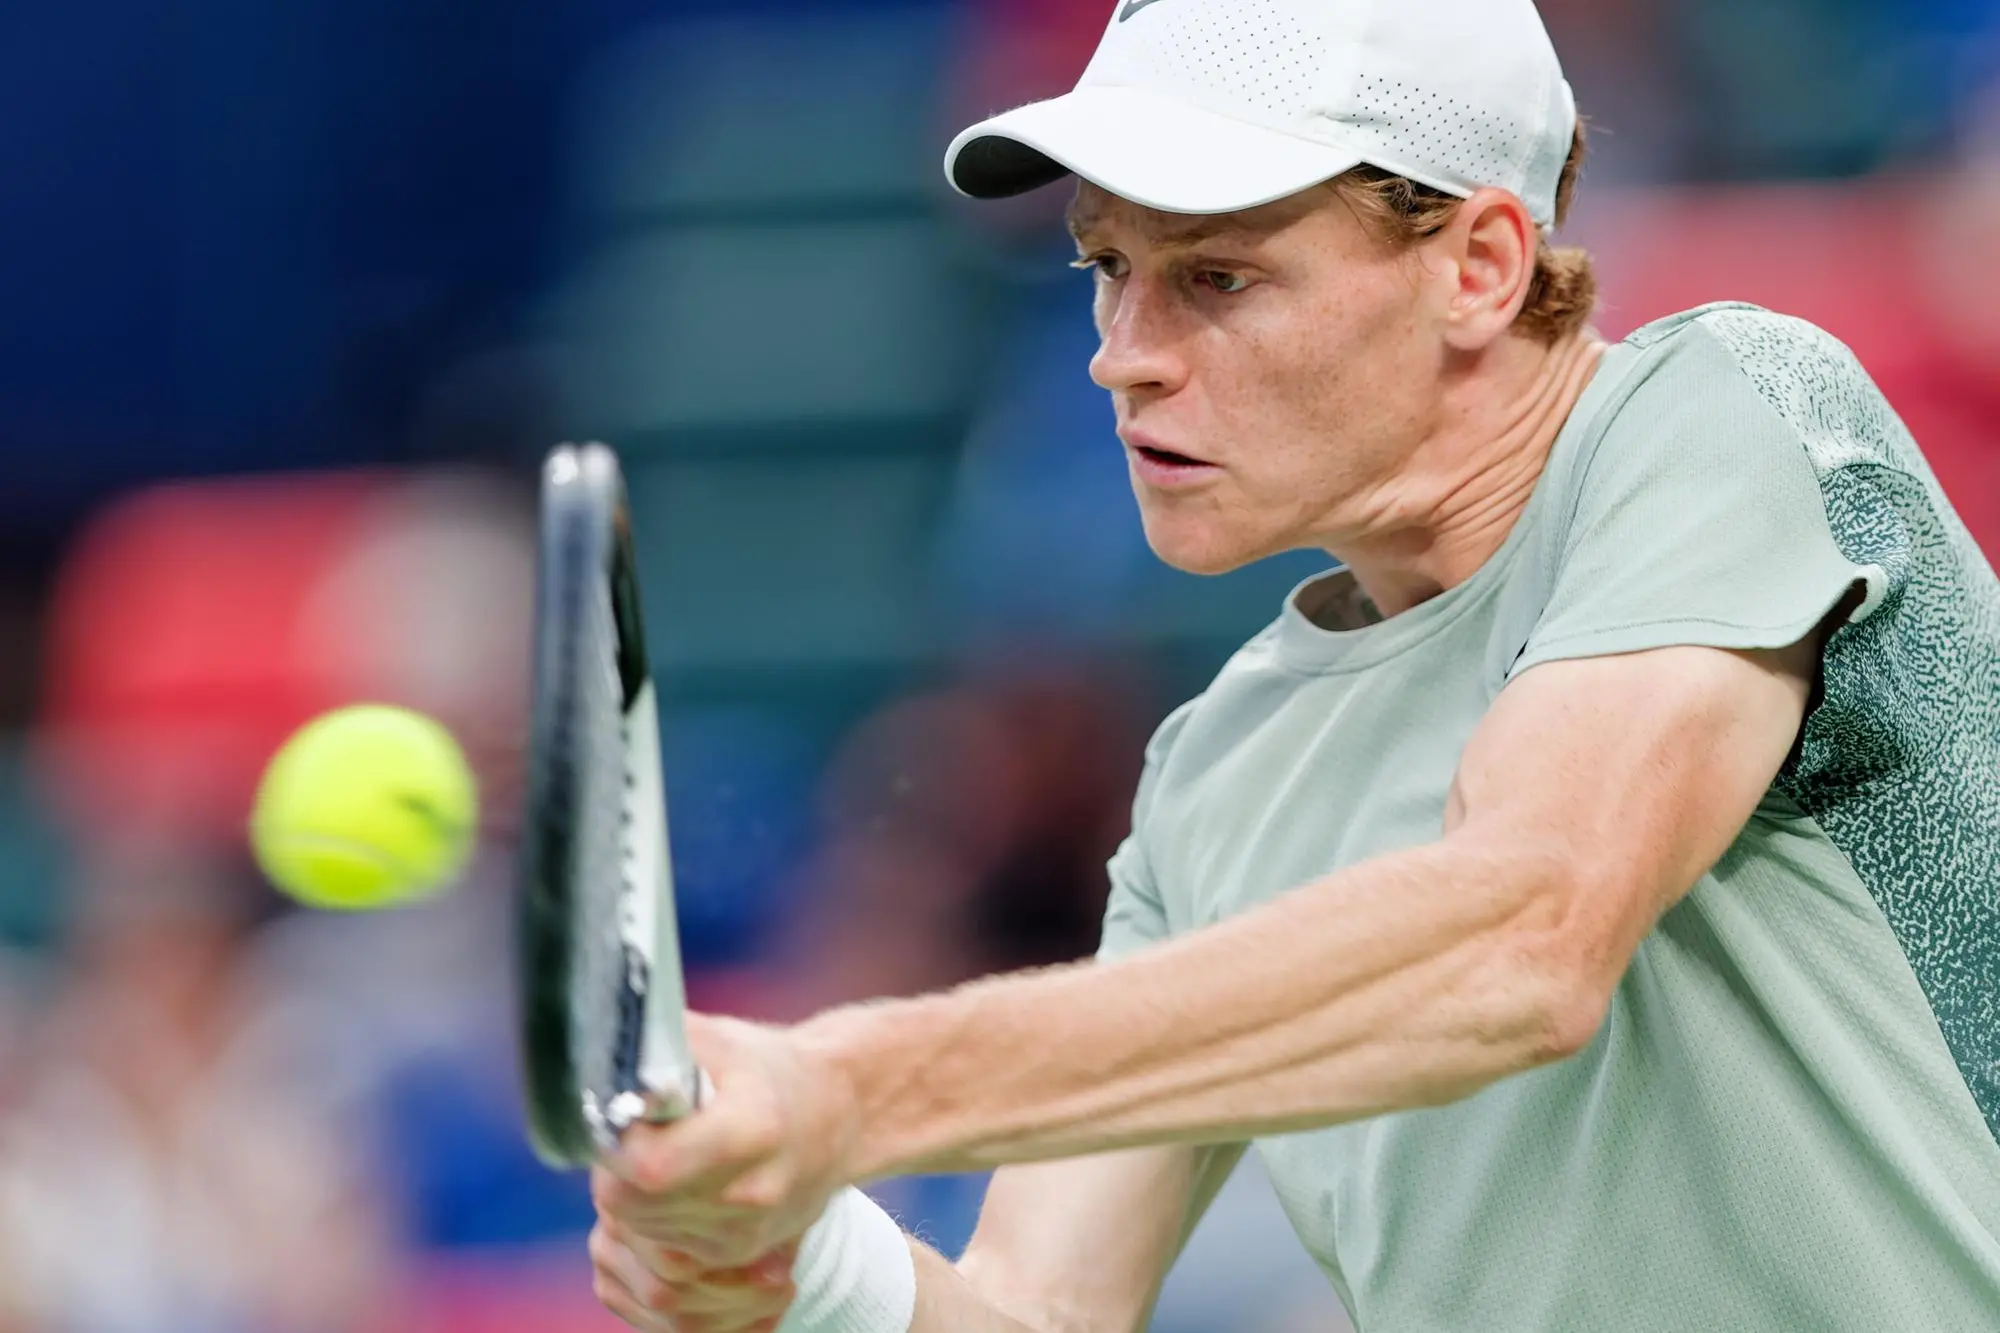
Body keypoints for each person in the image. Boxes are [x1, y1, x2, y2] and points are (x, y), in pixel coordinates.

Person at [587, 1, 2000, 1329]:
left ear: (1482, 267)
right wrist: (801, 1272)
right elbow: (1036, 1306)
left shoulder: (1731, 406)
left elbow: (1523, 941)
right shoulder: (1217, 772)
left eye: (1218, 275)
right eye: (1107, 271)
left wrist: (844, 1087)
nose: (1121, 359)